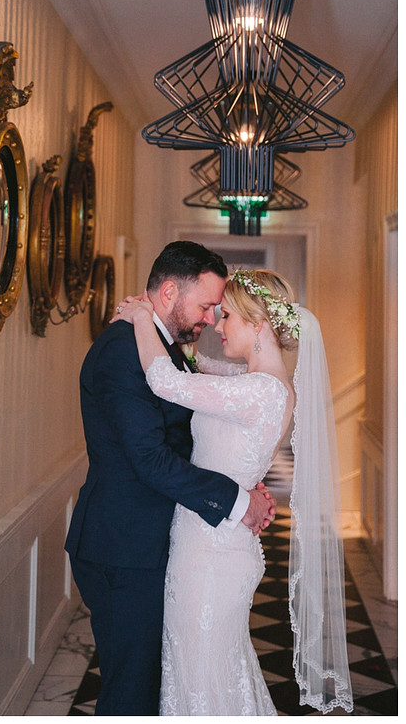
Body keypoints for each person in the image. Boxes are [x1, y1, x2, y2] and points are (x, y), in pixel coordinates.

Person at [115, 269, 352, 714]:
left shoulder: (262, 391)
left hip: (212, 558)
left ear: (258, 323)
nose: (218, 326)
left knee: (203, 680)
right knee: (204, 675)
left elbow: (167, 383)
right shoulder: (252, 381)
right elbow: (202, 369)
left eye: (226, 317)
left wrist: (143, 318)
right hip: (207, 544)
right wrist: (182, 344)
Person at [64, 241, 277, 715]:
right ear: (166, 292)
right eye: (204, 306)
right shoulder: (123, 351)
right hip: (123, 547)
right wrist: (237, 500)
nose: (209, 319)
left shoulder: (163, 347)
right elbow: (150, 459)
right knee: (130, 692)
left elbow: (188, 434)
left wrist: (241, 478)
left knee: (151, 684)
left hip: (148, 542)